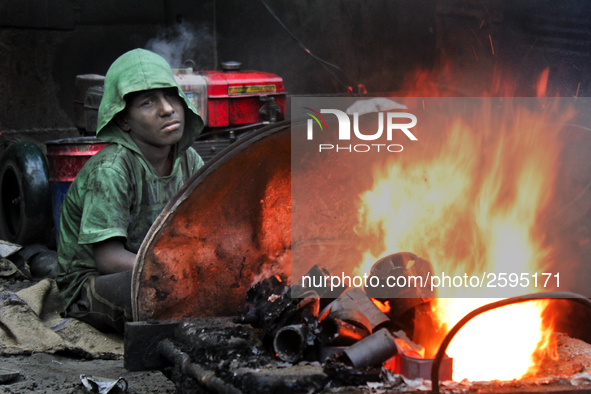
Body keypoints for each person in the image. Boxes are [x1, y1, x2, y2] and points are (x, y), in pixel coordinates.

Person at [56, 48, 204, 333]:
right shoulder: (112, 170)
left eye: (171, 95)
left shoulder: (189, 160)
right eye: (148, 102)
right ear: (123, 120)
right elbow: (108, 258)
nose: (167, 109)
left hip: (160, 268)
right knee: (163, 295)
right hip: (95, 283)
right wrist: (174, 271)